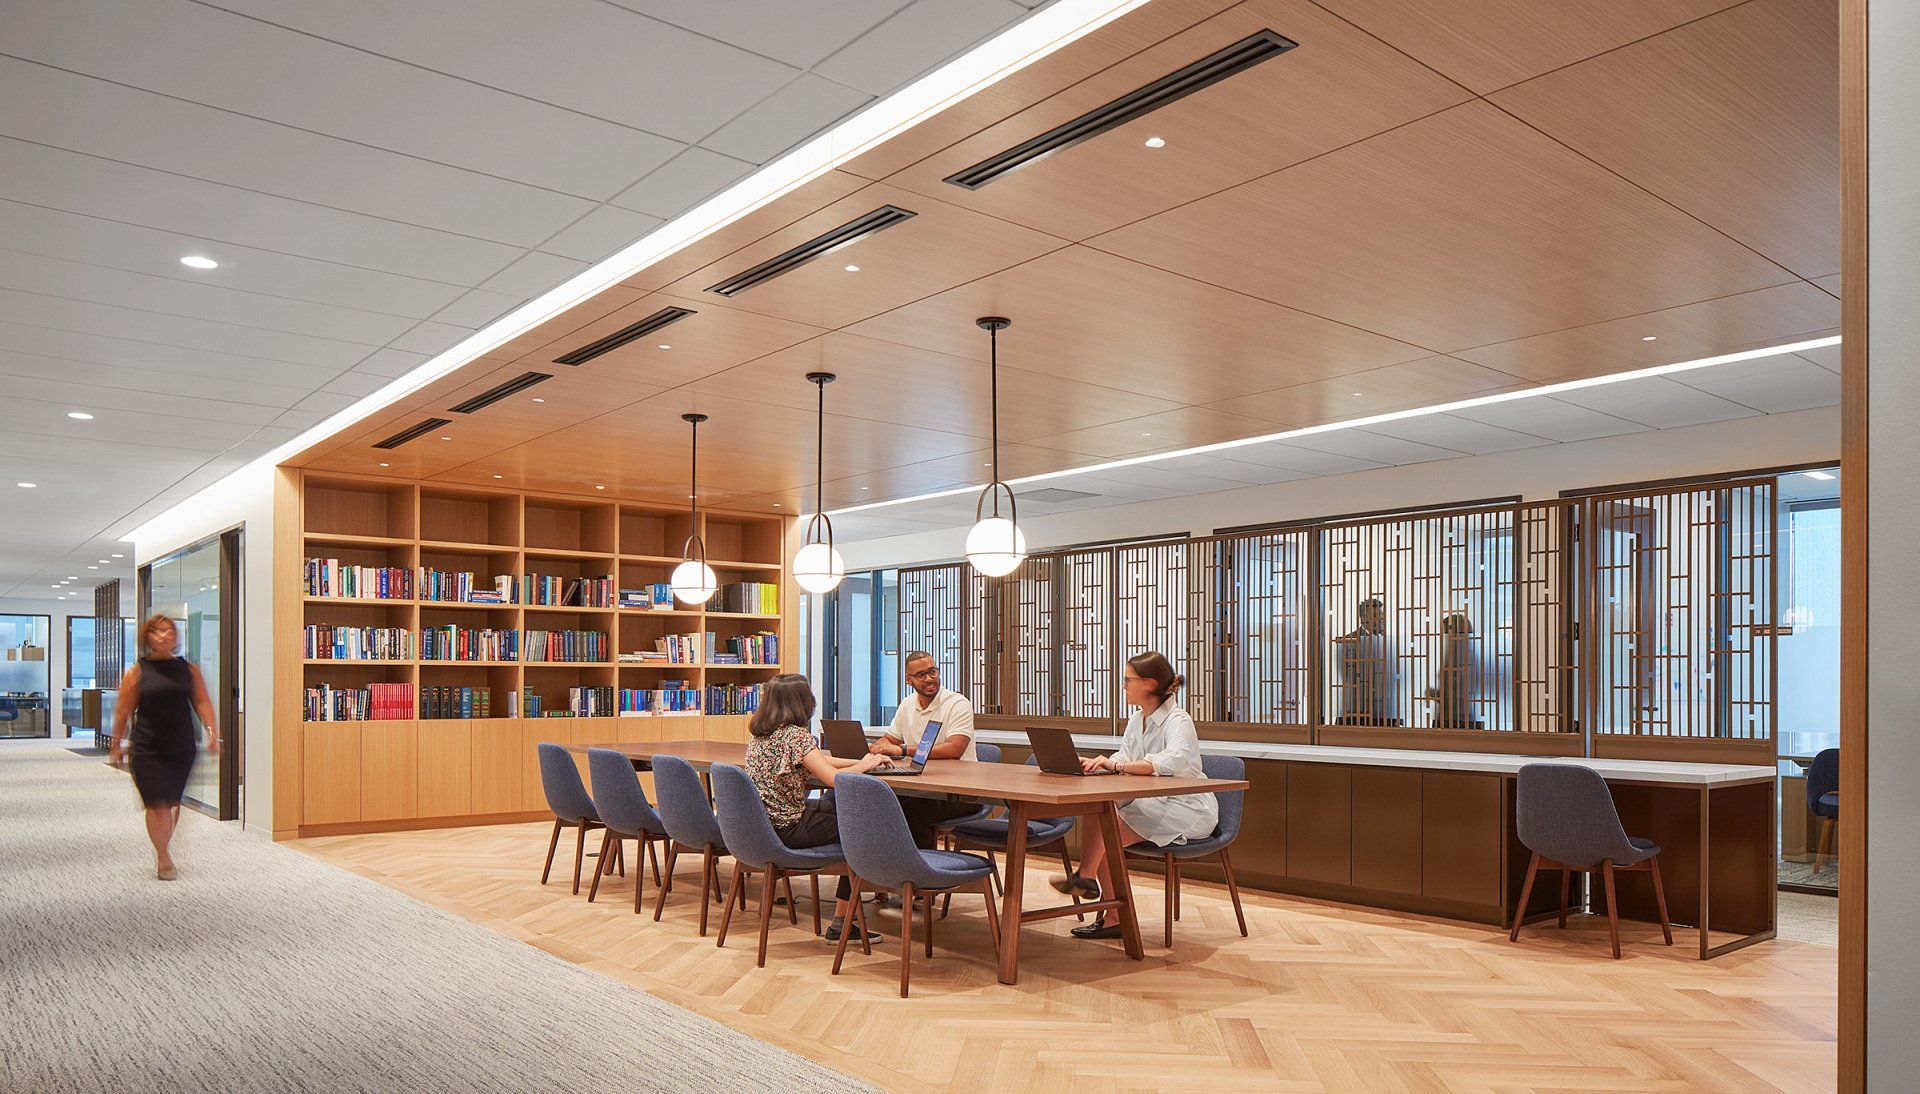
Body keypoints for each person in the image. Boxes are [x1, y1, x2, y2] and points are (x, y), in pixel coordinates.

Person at [1049, 651, 1218, 940]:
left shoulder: (1178, 720)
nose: (1123, 686)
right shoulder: (1137, 718)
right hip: (1153, 803)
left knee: (1106, 830)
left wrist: (1116, 766)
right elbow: (1125, 756)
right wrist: (1099, 763)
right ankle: (1109, 909)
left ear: (1149, 684)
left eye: (1128, 680)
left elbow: (1168, 762)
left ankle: (1091, 883)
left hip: (1187, 808)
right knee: (1099, 812)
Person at [743, 673, 891, 944]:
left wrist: (863, 759)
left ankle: (857, 906)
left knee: (837, 811)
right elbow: (833, 779)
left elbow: (821, 760)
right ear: (803, 702)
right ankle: (842, 923)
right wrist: (865, 765)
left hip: (764, 827)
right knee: (862, 829)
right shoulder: (796, 736)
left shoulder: (761, 735)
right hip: (789, 827)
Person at [108, 614, 219, 881]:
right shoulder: (137, 672)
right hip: (147, 747)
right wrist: (116, 743)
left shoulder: (189, 670)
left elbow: (202, 703)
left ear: (176, 636)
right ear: (147, 637)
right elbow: (123, 711)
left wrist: (212, 733)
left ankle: (163, 847)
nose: (163, 635)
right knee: (156, 804)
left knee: (172, 802)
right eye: (156, 631)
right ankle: (163, 856)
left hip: (181, 746)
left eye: (168, 630)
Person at [868, 650, 981, 847]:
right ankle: (877, 864)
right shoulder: (907, 704)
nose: (929, 678)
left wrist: (902, 750)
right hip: (921, 787)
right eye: (921, 675)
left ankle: (920, 865)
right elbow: (890, 739)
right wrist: (876, 748)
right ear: (908, 679)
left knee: (907, 810)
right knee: (878, 802)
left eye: (932, 671)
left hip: (960, 793)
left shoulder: (957, 703)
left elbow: (955, 748)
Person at [1333, 597, 1402, 725]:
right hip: (1356, 712)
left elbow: (1395, 677)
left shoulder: (1388, 643)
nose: (1381, 619)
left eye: (1382, 615)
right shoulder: (1348, 641)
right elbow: (1345, 677)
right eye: (1376, 616)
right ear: (1363, 619)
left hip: (1385, 713)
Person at [1429, 612, 1482, 729]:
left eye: (1445, 633)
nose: (1443, 636)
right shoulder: (1470, 653)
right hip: (1465, 717)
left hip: (1453, 719)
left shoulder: (1457, 656)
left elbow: (1452, 696)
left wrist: (1430, 693)